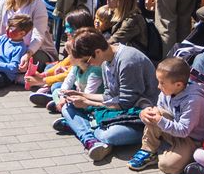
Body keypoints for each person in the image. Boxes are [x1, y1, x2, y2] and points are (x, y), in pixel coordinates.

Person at [58, 31, 158, 163]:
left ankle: (86, 130)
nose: (89, 64)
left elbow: (126, 103)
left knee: (111, 135)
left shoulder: (128, 60)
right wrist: (81, 94)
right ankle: (91, 138)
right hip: (119, 111)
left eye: (87, 60)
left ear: (98, 51)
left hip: (138, 116)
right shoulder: (105, 61)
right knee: (67, 107)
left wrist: (88, 102)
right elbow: (109, 95)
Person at [129, 58, 204, 174]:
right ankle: (149, 150)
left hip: (191, 139)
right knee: (155, 113)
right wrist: (143, 114)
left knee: (167, 167)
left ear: (178, 84)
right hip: (173, 130)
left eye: (162, 82)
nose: (158, 86)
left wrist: (159, 120)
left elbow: (184, 130)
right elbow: (159, 112)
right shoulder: (167, 91)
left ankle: (176, 152)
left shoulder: (194, 100)